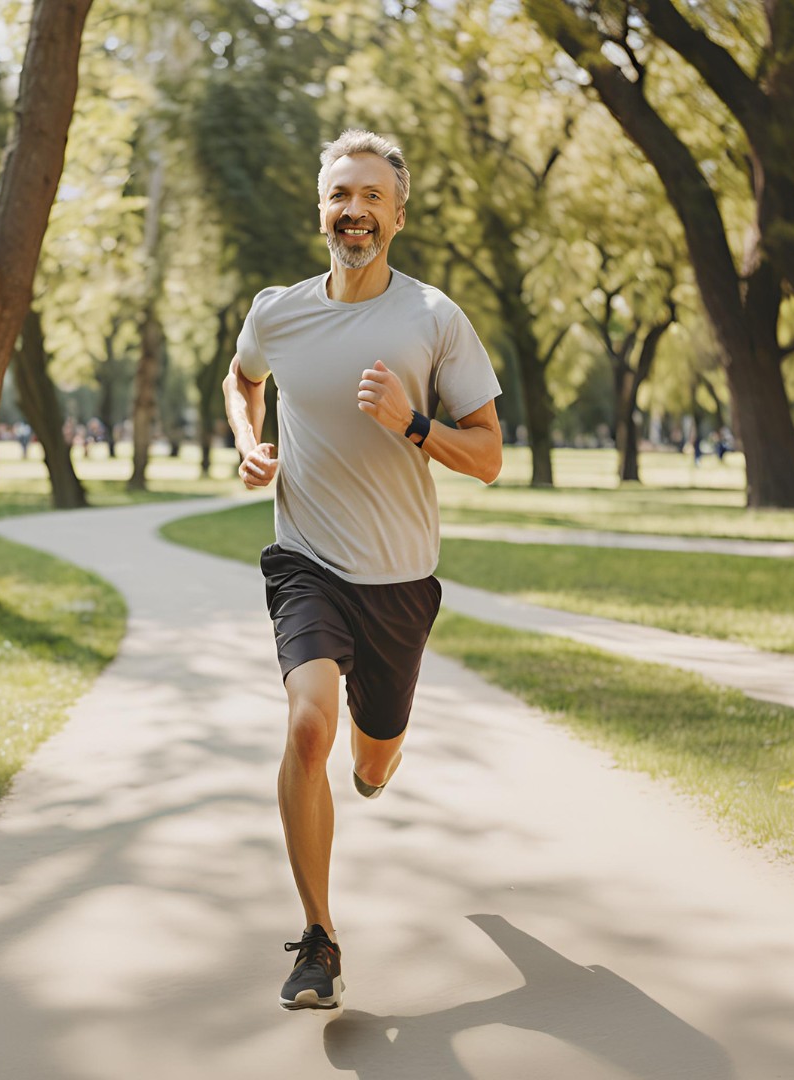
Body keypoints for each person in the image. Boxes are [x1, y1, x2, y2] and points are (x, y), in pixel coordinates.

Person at [222, 129, 504, 1011]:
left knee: (372, 756)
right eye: (342, 195)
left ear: (398, 216)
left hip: (401, 580)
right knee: (309, 724)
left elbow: (490, 456)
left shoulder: (432, 318)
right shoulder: (278, 310)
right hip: (305, 560)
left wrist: (412, 424)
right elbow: (242, 378)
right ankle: (319, 938)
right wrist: (248, 444)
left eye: (373, 197)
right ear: (322, 210)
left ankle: (374, 763)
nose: (356, 211)